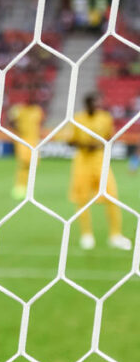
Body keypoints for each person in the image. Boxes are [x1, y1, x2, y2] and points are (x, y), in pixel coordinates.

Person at [69, 93, 131, 251]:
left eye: (97, 103)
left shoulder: (105, 117)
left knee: (112, 197)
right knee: (82, 200)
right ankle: (86, 235)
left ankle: (115, 235)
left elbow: (111, 137)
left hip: (100, 162)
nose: (95, 106)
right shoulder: (77, 118)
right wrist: (83, 145)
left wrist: (99, 145)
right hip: (82, 162)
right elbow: (70, 141)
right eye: (93, 103)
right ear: (87, 104)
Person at [8, 94, 44, 200]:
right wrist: (16, 126)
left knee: (33, 165)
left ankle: (28, 186)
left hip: (35, 141)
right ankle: (20, 186)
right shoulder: (18, 110)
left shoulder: (37, 110)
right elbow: (10, 121)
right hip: (22, 140)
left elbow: (40, 122)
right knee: (24, 163)